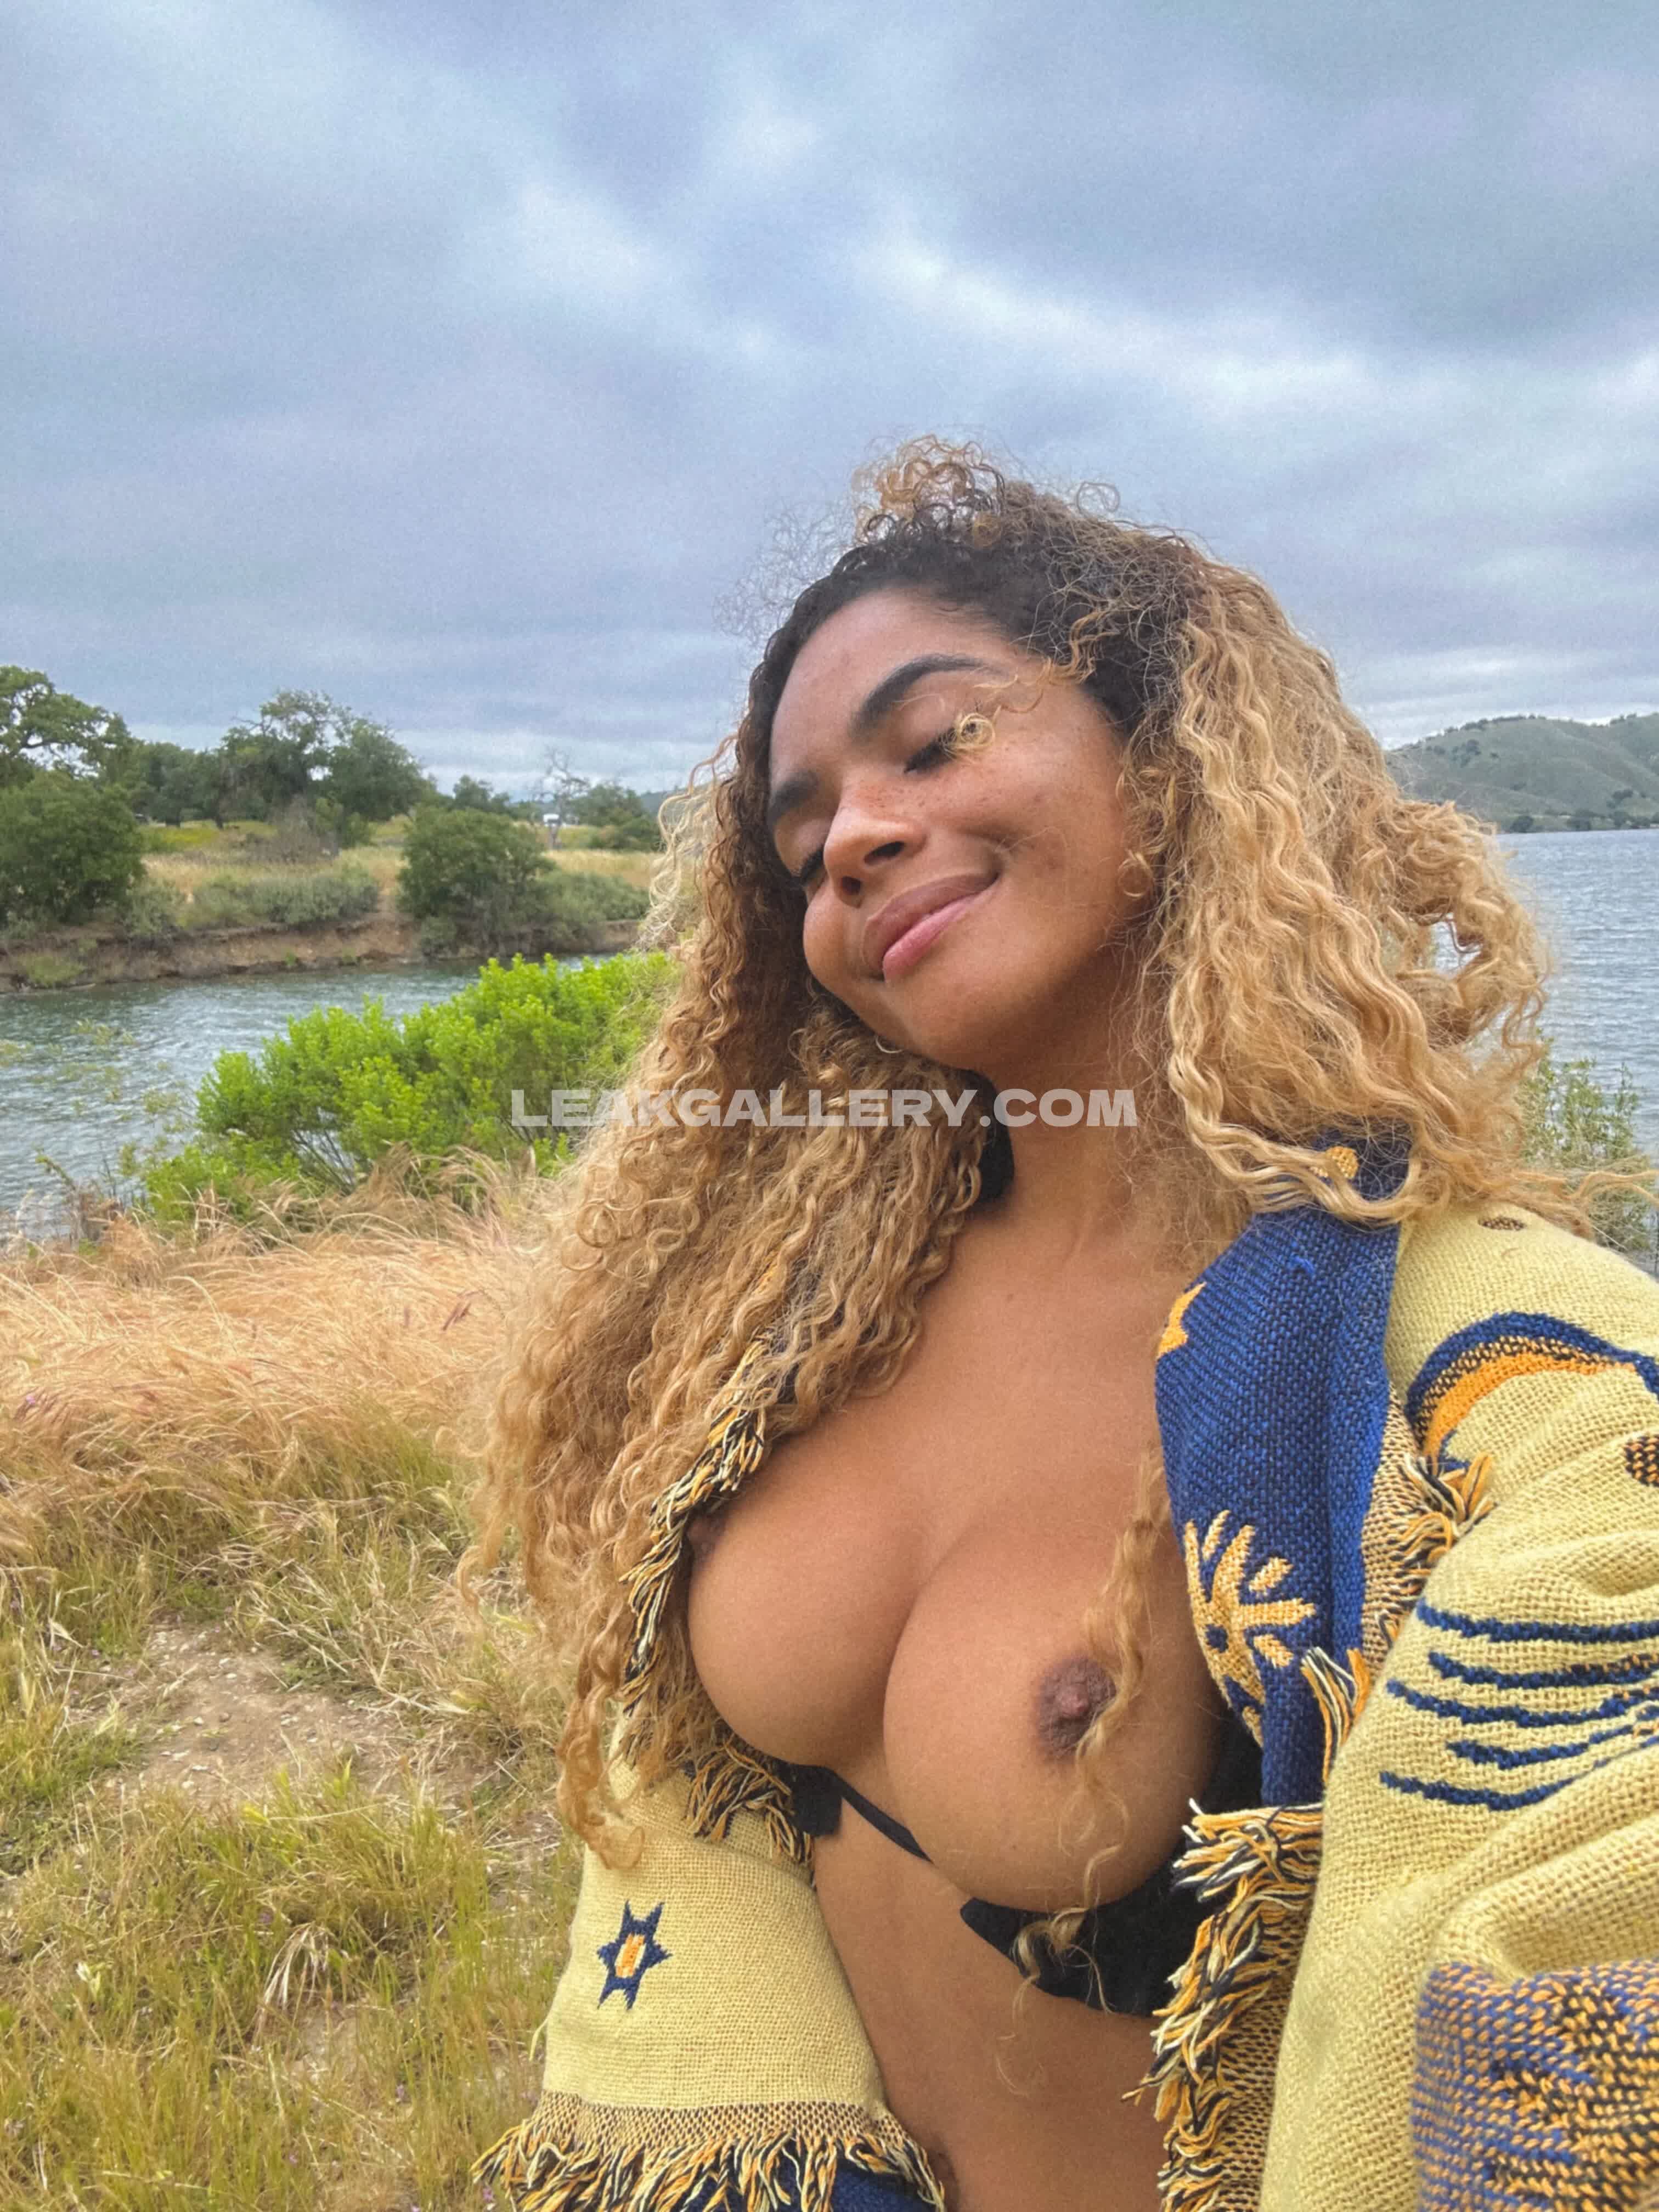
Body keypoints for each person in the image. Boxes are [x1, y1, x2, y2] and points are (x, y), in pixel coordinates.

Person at [470, 443, 1659, 2212]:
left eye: (937, 739)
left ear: (1170, 757)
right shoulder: (807, 1320)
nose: (853, 841)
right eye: (803, 844)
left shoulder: (1462, 1362)